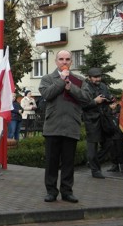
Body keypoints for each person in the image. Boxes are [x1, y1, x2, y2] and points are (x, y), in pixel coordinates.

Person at [39, 50, 90, 203]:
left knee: (68, 162)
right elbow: (47, 94)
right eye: (61, 59)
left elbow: (87, 98)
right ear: (56, 61)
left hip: (71, 126)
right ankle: (51, 191)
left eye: (67, 59)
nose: (64, 62)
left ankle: (67, 191)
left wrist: (71, 88)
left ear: (71, 62)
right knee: (51, 162)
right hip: (53, 126)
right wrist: (61, 81)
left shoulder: (79, 80)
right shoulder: (48, 78)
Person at [82, 67, 115, 179]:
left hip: (104, 119)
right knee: (93, 146)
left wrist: (110, 99)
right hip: (92, 120)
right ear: (89, 78)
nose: (97, 79)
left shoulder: (103, 86)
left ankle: (92, 163)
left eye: (99, 77)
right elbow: (83, 105)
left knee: (109, 143)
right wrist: (95, 101)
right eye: (95, 77)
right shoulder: (85, 88)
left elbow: (107, 97)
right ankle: (95, 170)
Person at [106, 102, 123, 173]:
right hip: (111, 135)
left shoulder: (121, 112)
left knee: (120, 150)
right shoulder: (108, 113)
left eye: (114, 104)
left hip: (120, 134)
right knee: (112, 151)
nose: (112, 105)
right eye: (111, 104)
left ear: (117, 103)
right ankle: (115, 166)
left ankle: (122, 166)